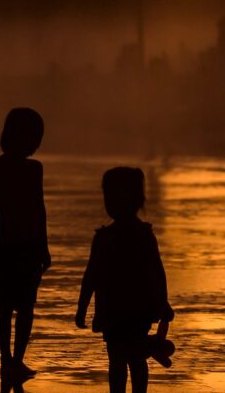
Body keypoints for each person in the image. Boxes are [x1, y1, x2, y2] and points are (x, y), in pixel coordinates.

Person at [76, 166, 174, 393]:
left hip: (120, 310)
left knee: (120, 359)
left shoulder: (112, 237)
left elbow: (91, 276)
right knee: (134, 358)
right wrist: (162, 302)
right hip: (130, 310)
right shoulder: (136, 236)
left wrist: (82, 308)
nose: (110, 202)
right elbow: (157, 274)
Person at [0, 108, 51, 381]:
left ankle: (10, 360)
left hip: (12, 248)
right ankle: (11, 360)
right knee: (20, 307)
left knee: (8, 307)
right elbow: (35, 210)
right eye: (35, 137)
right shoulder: (30, 169)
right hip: (20, 248)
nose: (36, 143)